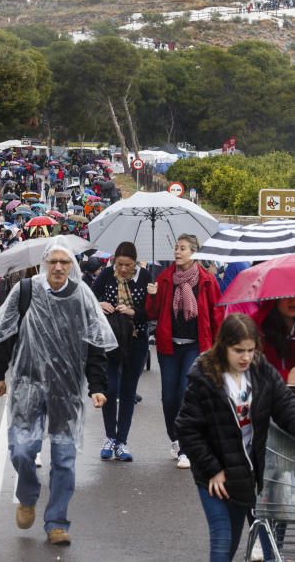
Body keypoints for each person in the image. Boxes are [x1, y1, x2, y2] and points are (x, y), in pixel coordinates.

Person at [0, 236, 117, 546]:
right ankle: (28, 495)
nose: (58, 267)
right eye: (53, 262)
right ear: (44, 264)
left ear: (72, 265)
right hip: (28, 385)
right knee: (21, 450)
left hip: (66, 390)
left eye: (65, 262)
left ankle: (57, 521)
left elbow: (95, 344)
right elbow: (4, 334)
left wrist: (97, 386)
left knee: (63, 458)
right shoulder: (26, 291)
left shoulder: (82, 296)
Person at [175, 314, 295, 562]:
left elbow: (287, 410)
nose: (246, 357)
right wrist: (212, 469)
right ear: (223, 346)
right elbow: (187, 428)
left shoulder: (262, 372)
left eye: (251, 350)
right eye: (239, 350)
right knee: (222, 537)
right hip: (213, 474)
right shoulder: (204, 376)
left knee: (231, 543)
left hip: (245, 474)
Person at [146, 233, 224, 469]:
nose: (177, 252)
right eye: (176, 248)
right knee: (168, 398)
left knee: (184, 392)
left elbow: (217, 314)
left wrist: (219, 348)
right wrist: (152, 296)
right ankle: (175, 436)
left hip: (196, 345)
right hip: (169, 346)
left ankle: (185, 447)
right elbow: (152, 313)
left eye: (182, 248)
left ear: (194, 252)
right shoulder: (165, 278)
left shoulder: (207, 281)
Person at [93, 242, 151, 462]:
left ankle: (122, 441)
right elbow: (89, 297)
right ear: (114, 261)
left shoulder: (145, 277)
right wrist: (100, 304)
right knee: (110, 388)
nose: (123, 269)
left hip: (136, 341)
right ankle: (109, 437)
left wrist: (133, 311)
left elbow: (151, 312)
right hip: (110, 340)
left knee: (128, 391)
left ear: (135, 263)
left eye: (128, 265)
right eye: (120, 264)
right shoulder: (106, 274)